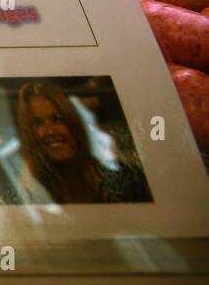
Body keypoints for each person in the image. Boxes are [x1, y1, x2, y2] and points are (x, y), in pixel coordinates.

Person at [15, 82, 151, 204]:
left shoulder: (129, 180)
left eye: (57, 119)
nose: (50, 131)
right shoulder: (30, 194)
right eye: (38, 123)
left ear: (74, 122)